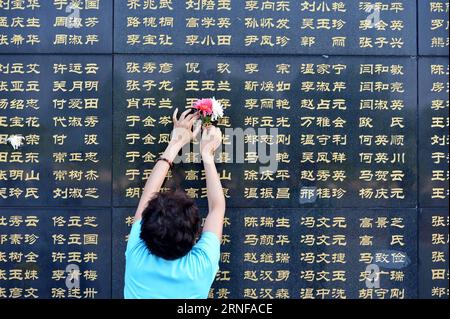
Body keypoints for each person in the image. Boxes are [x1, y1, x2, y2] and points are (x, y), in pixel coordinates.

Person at [124, 108, 225, 299]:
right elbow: (217, 208)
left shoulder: (137, 256)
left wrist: (175, 142)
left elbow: (147, 198)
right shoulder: (200, 266)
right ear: (196, 235)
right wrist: (207, 155)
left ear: (144, 229)